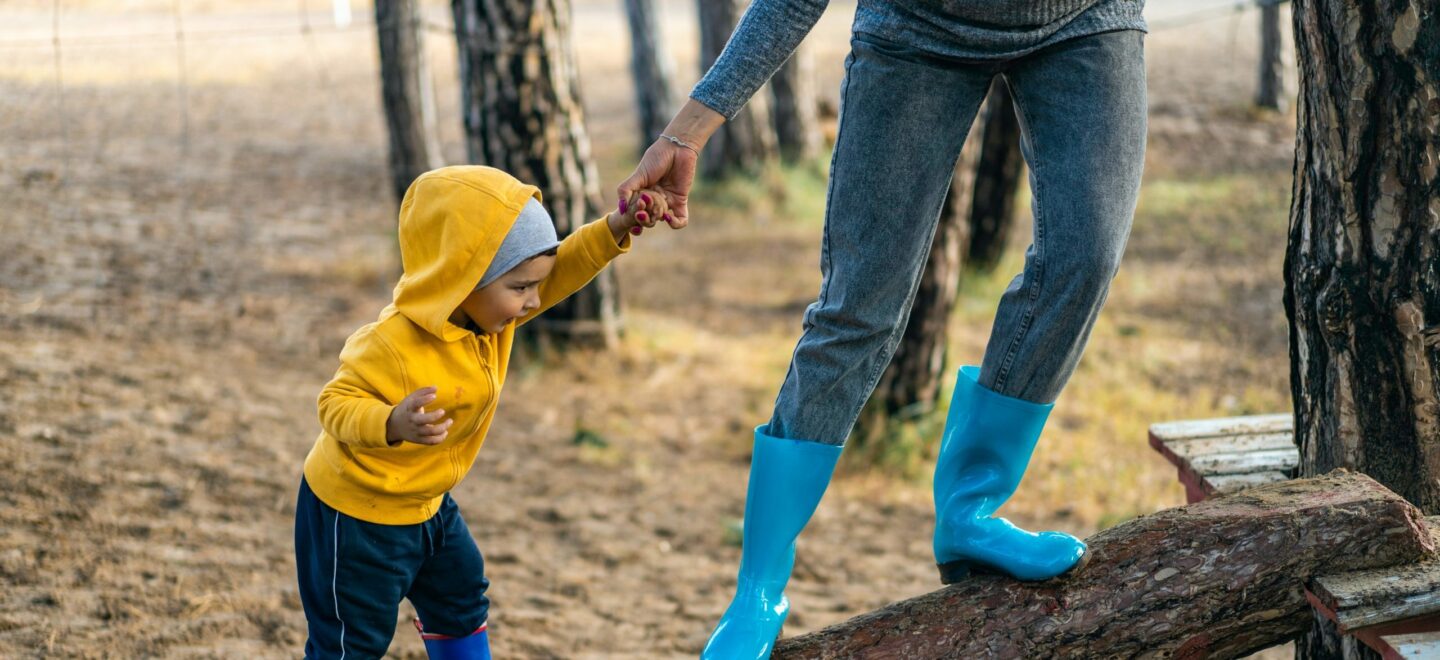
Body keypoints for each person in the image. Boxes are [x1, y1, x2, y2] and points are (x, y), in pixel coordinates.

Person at [617, 1, 1149, 657]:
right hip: (917, 28)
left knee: (1084, 261)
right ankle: (759, 589)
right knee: (858, 309)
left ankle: (969, 511)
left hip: (1085, 20)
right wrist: (689, 132)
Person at [294, 165, 669, 659]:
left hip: (429, 505)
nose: (533, 300)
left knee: (461, 598)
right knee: (352, 643)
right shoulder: (389, 343)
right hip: (359, 517)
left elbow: (563, 269)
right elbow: (333, 405)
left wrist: (616, 227)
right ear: (461, 278)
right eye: (520, 288)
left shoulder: (490, 317)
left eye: (536, 284)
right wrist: (390, 422)